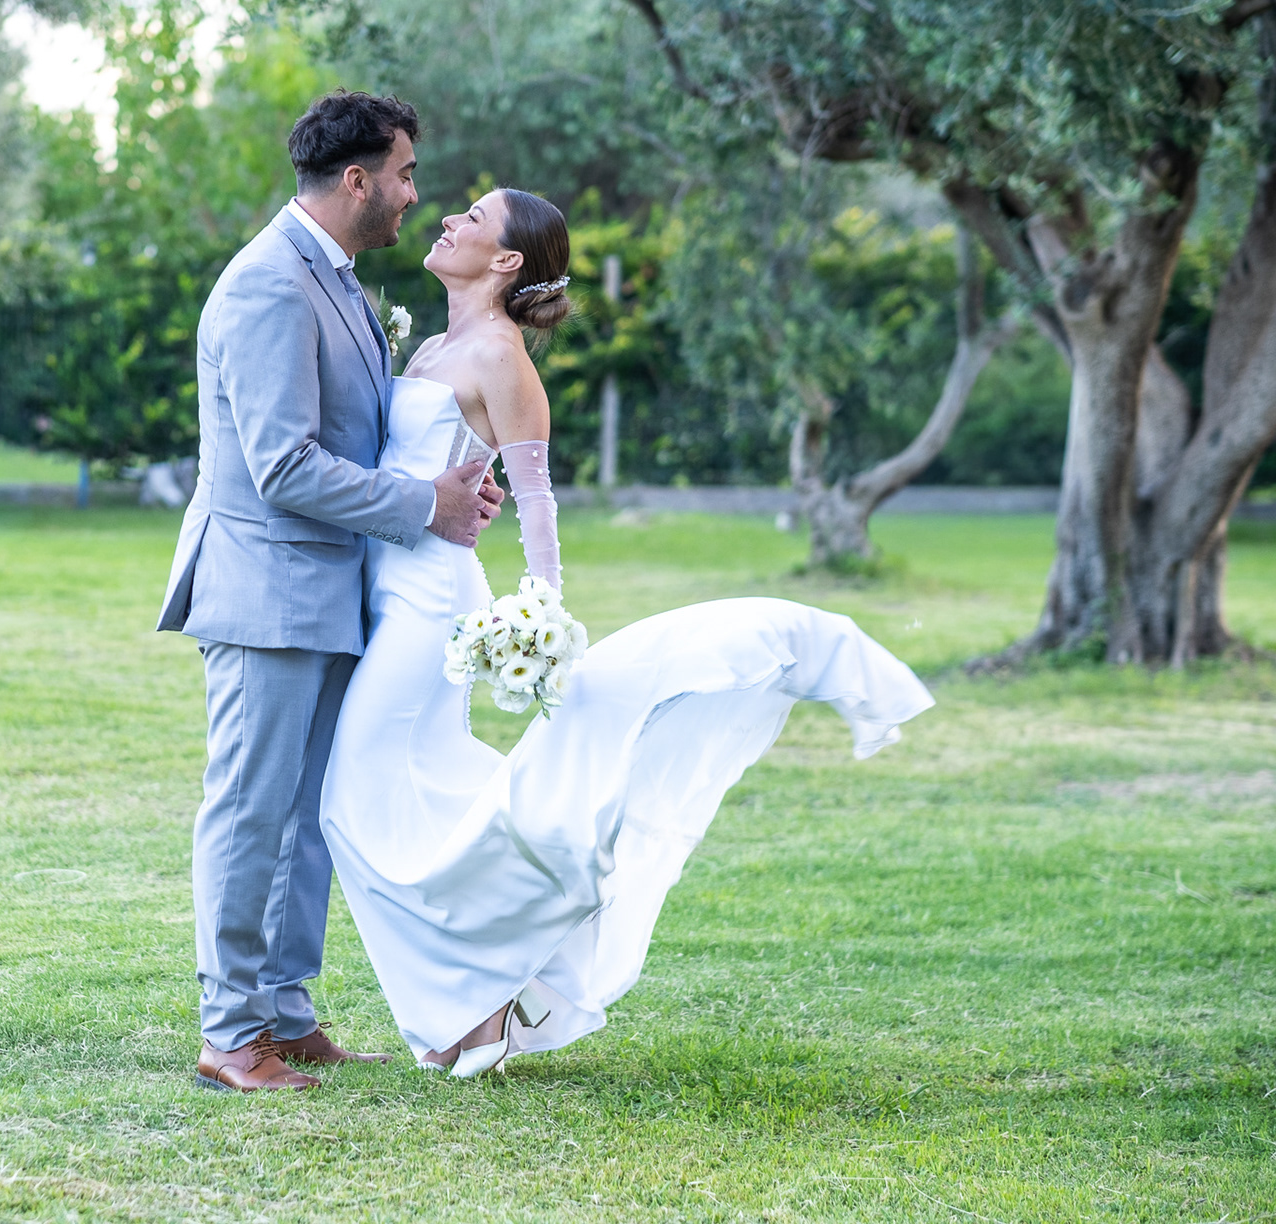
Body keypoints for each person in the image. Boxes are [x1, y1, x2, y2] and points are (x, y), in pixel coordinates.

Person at [319, 188, 936, 1077]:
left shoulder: (502, 358)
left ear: (505, 262)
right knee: (423, 795)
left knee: (349, 802)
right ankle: (485, 994)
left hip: (429, 604)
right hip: (383, 589)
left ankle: (482, 994)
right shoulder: (427, 349)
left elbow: (536, 499)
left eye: (473, 219)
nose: (449, 220)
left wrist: (539, 614)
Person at [156, 92, 505, 1092]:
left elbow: (360, 432)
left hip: (333, 591)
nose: (414, 195)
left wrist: (450, 485)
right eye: (403, 175)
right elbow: (283, 466)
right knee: (250, 811)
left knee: (306, 815)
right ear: (356, 180)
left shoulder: (338, 277)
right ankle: (232, 1036)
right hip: (266, 590)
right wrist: (423, 505)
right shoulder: (270, 283)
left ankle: (285, 1010)